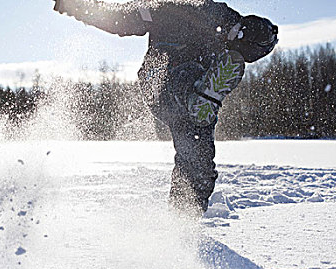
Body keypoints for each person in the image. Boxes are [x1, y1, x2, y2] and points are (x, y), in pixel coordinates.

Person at [53, 0, 278, 216]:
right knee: (187, 81)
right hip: (161, 82)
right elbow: (117, 17)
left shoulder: (218, 13)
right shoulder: (163, 7)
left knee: (199, 165)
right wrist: (76, 5)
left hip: (191, 105)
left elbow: (253, 48)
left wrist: (260, 32)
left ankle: (183, 223)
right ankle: (198, 95)